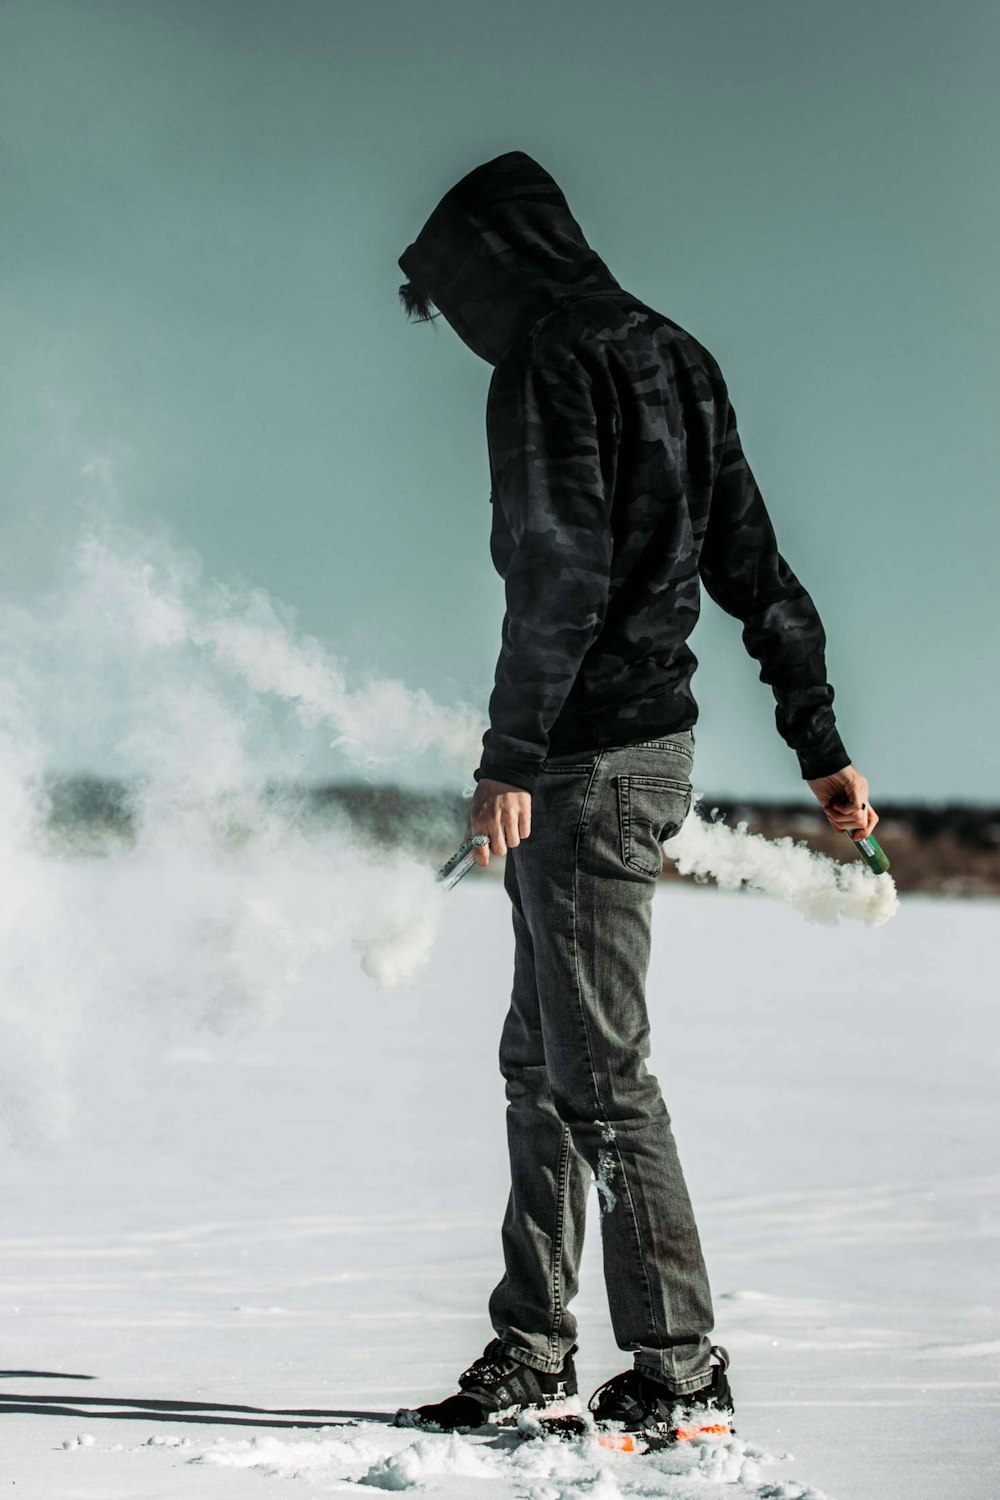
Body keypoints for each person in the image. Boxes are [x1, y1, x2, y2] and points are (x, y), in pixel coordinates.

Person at [393, 150, 878, 1444]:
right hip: (640, 751)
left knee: (599, 1072)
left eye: (457, 299)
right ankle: (532, 1346)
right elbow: (757, 568)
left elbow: (556, 575)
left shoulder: (550, 360)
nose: (463, 330)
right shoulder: (677, 350)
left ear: (496, 266)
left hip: (583, 765)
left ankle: (680, 1368)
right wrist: (819, 743)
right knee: (541, 1055)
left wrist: (508, 759)